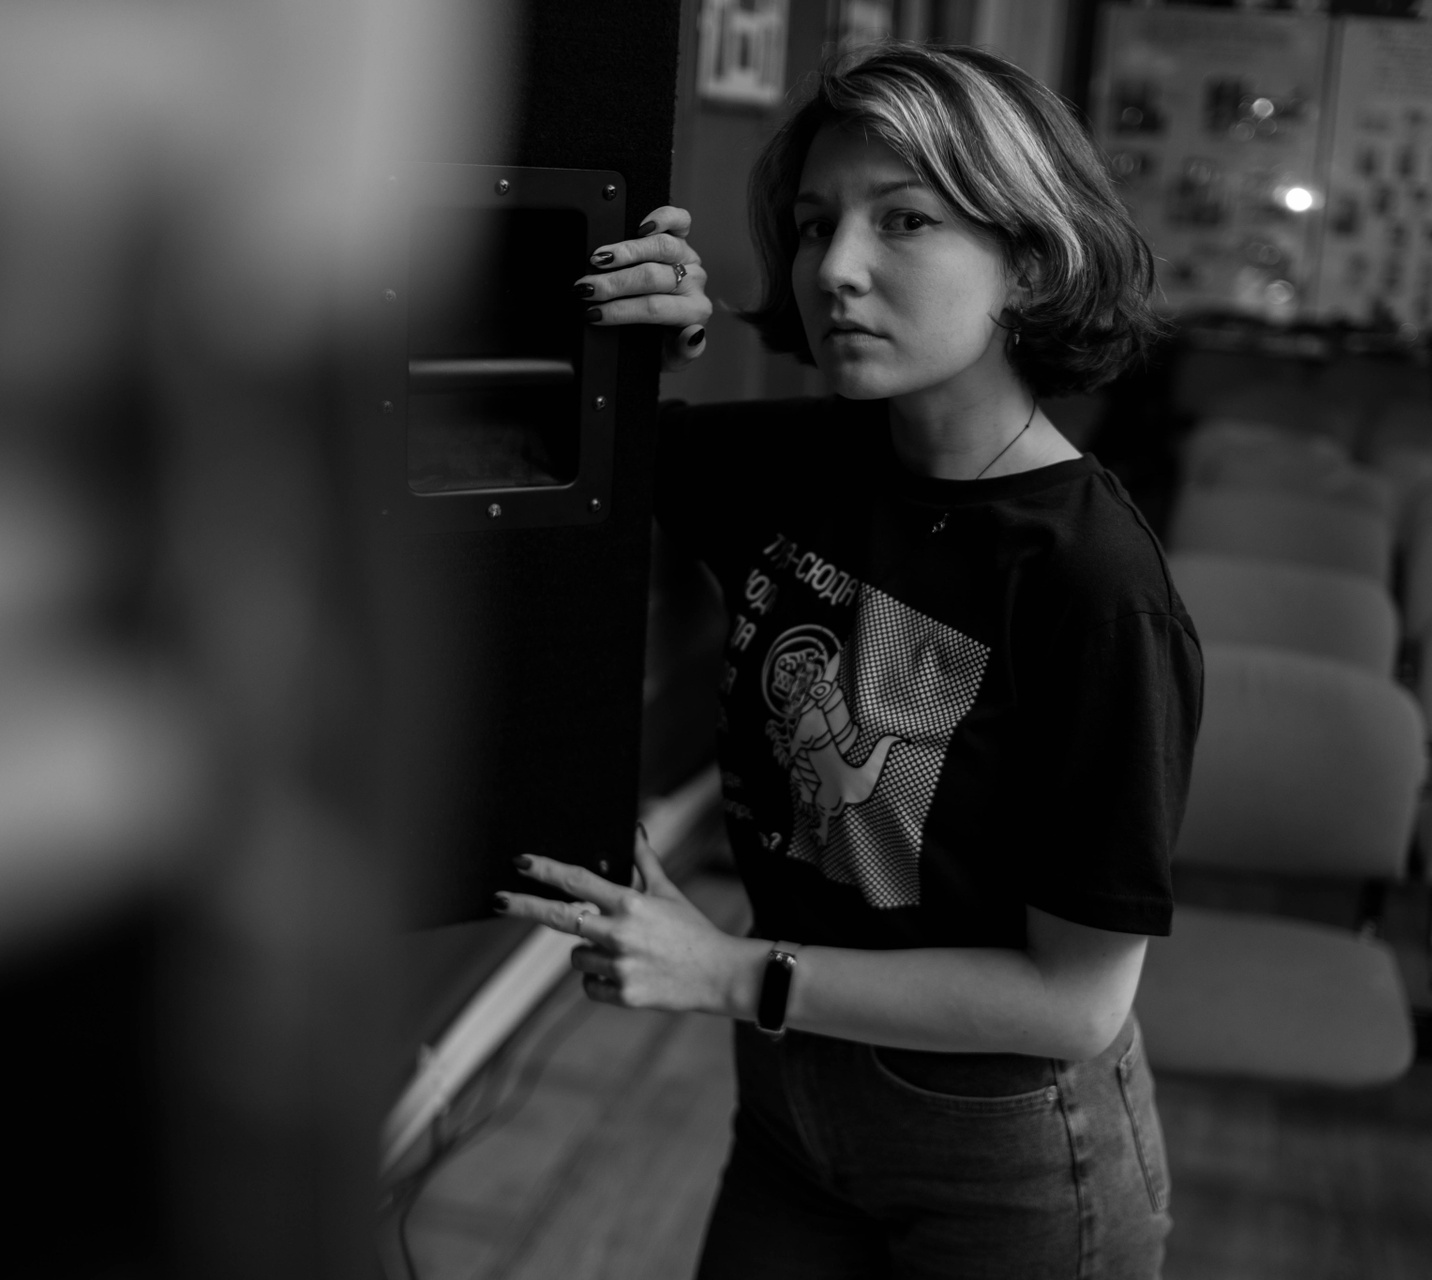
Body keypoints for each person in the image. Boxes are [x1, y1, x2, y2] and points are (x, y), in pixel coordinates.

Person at [494, 42, 1202, 1279]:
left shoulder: (1094, 587)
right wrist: (660, 332)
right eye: (817, 224)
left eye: (906, 219)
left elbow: (1076, 1000)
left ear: (1031, 260)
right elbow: (564, 444)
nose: (835, 267)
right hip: (791, 1101)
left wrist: (734, 972)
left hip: (1004, 1145)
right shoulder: (805, 463)